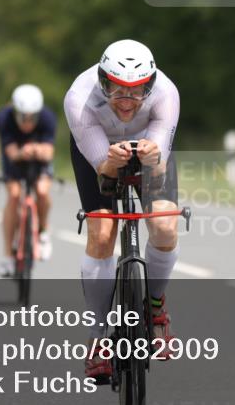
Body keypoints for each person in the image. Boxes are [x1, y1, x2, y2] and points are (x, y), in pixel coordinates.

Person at [64, 39, 181, 380]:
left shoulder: (166, 94)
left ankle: (155, 308)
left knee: (164, 226)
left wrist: (151, 157)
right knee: (101, 232)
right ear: (103, 82)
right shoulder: (79, 98)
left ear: (150, 85)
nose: (127, 101)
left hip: (149, 149)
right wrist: (110, 162)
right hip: (98, 150)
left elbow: (158, 167)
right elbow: (102, 168)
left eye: (136, 91)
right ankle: (98, 336)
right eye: (117, 90)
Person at [0, 84, 56, 277]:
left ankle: (43, 231)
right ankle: (7, 255)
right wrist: (23, 152)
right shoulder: (4, 118)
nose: (28, 123)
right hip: (15, 159)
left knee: (42, 190)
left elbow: (49, 152)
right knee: (14, 195)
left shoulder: (48, 118)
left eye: (32, 118)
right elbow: (11, 152)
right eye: (23, 117)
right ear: (15, 112)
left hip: (39, 161)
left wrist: (38, 151)